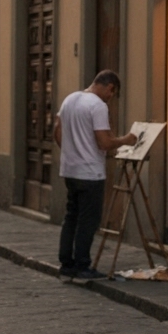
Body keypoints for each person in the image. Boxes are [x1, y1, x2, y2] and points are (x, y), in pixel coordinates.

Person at [52, 70, 137, 280]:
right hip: (90, 172)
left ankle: (66, 263)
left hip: (70, 170)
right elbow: (104, 142)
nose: (110, 97)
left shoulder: (70, 99)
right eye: (112, 93)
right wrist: (126, 139)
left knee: (71, 216)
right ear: (109, 87)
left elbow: (57, 130)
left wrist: (71, 152)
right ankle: (82, 264)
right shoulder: (98, 105)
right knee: (88, 220)